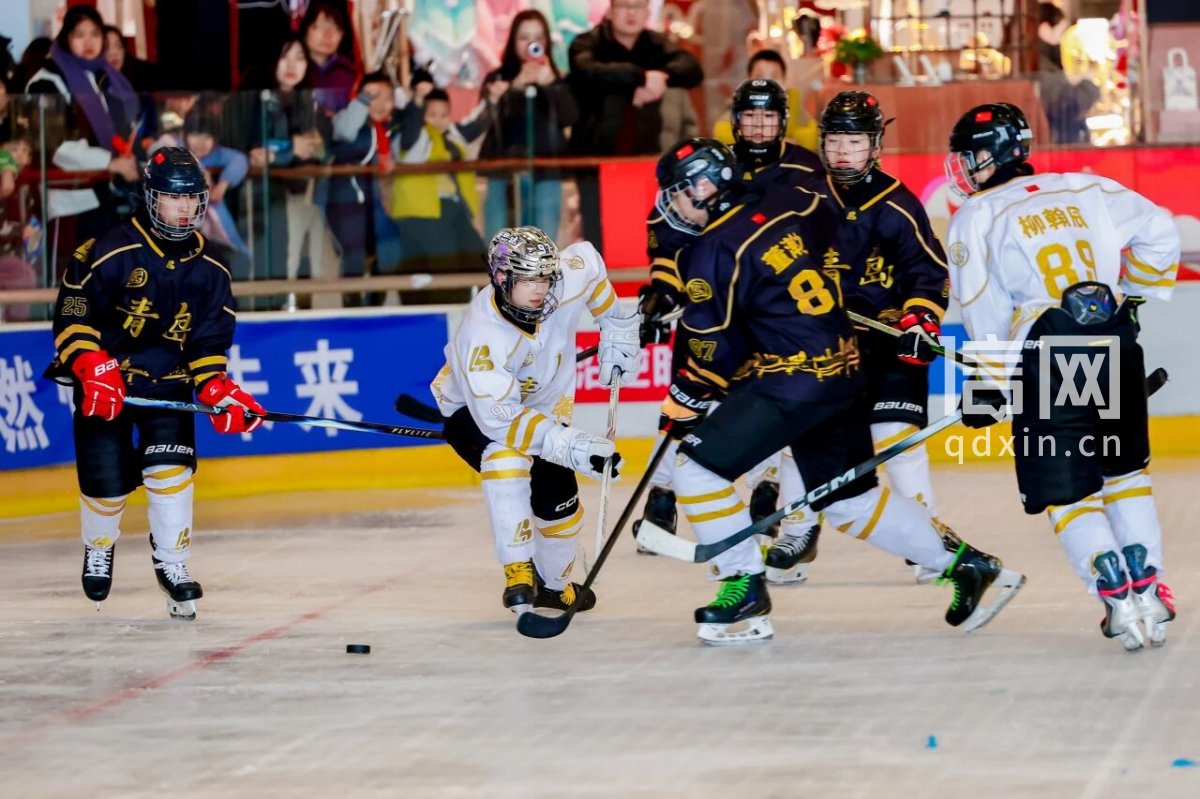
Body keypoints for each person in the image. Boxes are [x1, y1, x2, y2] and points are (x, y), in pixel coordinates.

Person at [648, 137, 1023, 645]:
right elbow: (831, 229)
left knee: (695, 470)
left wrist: (687, 400)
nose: (670, 204)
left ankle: (743, 589)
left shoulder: (713, 251)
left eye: (675, 192)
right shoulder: (787, 197)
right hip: (845, 366)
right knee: (850, 498)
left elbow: (714, 355)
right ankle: (967, 566)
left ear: (705, 186)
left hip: (789, 383)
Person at [944, 102, 1179, 651]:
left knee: (1068, 493)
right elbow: (1160, 230)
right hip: (1111, 338)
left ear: (995, 154)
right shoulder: (1083, 187)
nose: (966, 169)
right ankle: (1149, 579)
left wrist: (987, 389)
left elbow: (982, 311)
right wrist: (1135, 299)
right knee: (1124, 474)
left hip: (1046, 350)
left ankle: (1111, 584)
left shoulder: (975, 217)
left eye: (971, 157)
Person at [47, 147, 265, 620]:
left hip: (167, 386)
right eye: (172, 198)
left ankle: (174, 566)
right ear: (151, 198)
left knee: (172, 474)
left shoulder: (214, 269)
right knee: (105, 486)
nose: (184, 209)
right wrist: (89, 363)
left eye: (191, 200)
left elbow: (209, 342)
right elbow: (72, 309)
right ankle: (99, 545)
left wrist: (216, 388)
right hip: (107, 385)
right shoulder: (110, 248)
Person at [764, 90, 956, 585]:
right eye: (834, 141)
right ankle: (797, 527)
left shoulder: (895, 203)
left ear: (875, 146)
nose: (843, 152)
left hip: (891, 344)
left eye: (855, 141)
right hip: (826, 346)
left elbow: (930, 274)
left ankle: (925, 536)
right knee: (800, 434)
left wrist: (919, 318)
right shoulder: (802, 199)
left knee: (898, 441)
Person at [632, 79, 824, 555]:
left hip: (764, 313)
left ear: (782, 119)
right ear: (735, 120)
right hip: (711, 306)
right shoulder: (708, 162)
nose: (758, 125)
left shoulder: (804, 167)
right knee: (687, 394)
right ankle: (662, 492)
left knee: (757, 397)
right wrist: (664, 292)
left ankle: (765, 492)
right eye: (750, 116)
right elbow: (668, 237)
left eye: (768, 116)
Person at [430, 226, 642, 615]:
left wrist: (616, 325)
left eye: (545, 277)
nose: (540, 289)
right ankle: (517, 569)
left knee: (561, 507)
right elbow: (500, 421)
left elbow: (590, 264)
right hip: (476, 415)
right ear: (500, 277)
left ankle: (554, 585)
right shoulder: (481, 335)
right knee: (506, 458)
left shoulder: (564, 278)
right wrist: (570, 445)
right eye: (528, 279)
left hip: (542, 412)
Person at [567, 0, 703, 250]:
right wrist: (639, 79)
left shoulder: (654, 43)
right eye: (624, 5)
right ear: (610, 10)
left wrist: (662, 78)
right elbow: (587, 71)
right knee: (598, 242)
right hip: (595, 162)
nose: (631, 13)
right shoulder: (587, 43)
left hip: (641, 161)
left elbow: (692, 69)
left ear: (646, 12)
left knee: (639, 240)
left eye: (638, 6)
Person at [25, 6, 141, 278]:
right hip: (71, 203)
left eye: (95, 34)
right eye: (80, 34)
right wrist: (112, 163)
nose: (89, 43)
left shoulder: (101, 76)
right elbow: (56, 145)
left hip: (109, 196)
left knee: (112, 285)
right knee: (75, 285)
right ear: (66, 37)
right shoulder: (46, 82)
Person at [479, 9, 579, 242]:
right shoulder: (498, 78)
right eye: (524, 37)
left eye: (538, 37)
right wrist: (514, 86)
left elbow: (570, 117)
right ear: (513, 40)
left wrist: (551, 85)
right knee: (499, 242)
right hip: (502, 172)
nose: (531, 44)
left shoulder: (557, 78)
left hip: (545, 171)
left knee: (542, 242)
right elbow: (487, 121)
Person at [712, 50, 819, 152]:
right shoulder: (744, 102)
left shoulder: (791, 101)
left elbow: (812, 135)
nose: (767, 82)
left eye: (774, 76)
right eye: (759, 76)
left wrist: (794, 141)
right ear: (748, 80)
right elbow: (721, 131)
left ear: (785, 81)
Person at [301, 1, 360, 113]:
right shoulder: (294, 70)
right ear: (305, 31)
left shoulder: (350, 72)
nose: (328, 34)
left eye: (336, 28)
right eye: (321, 26)